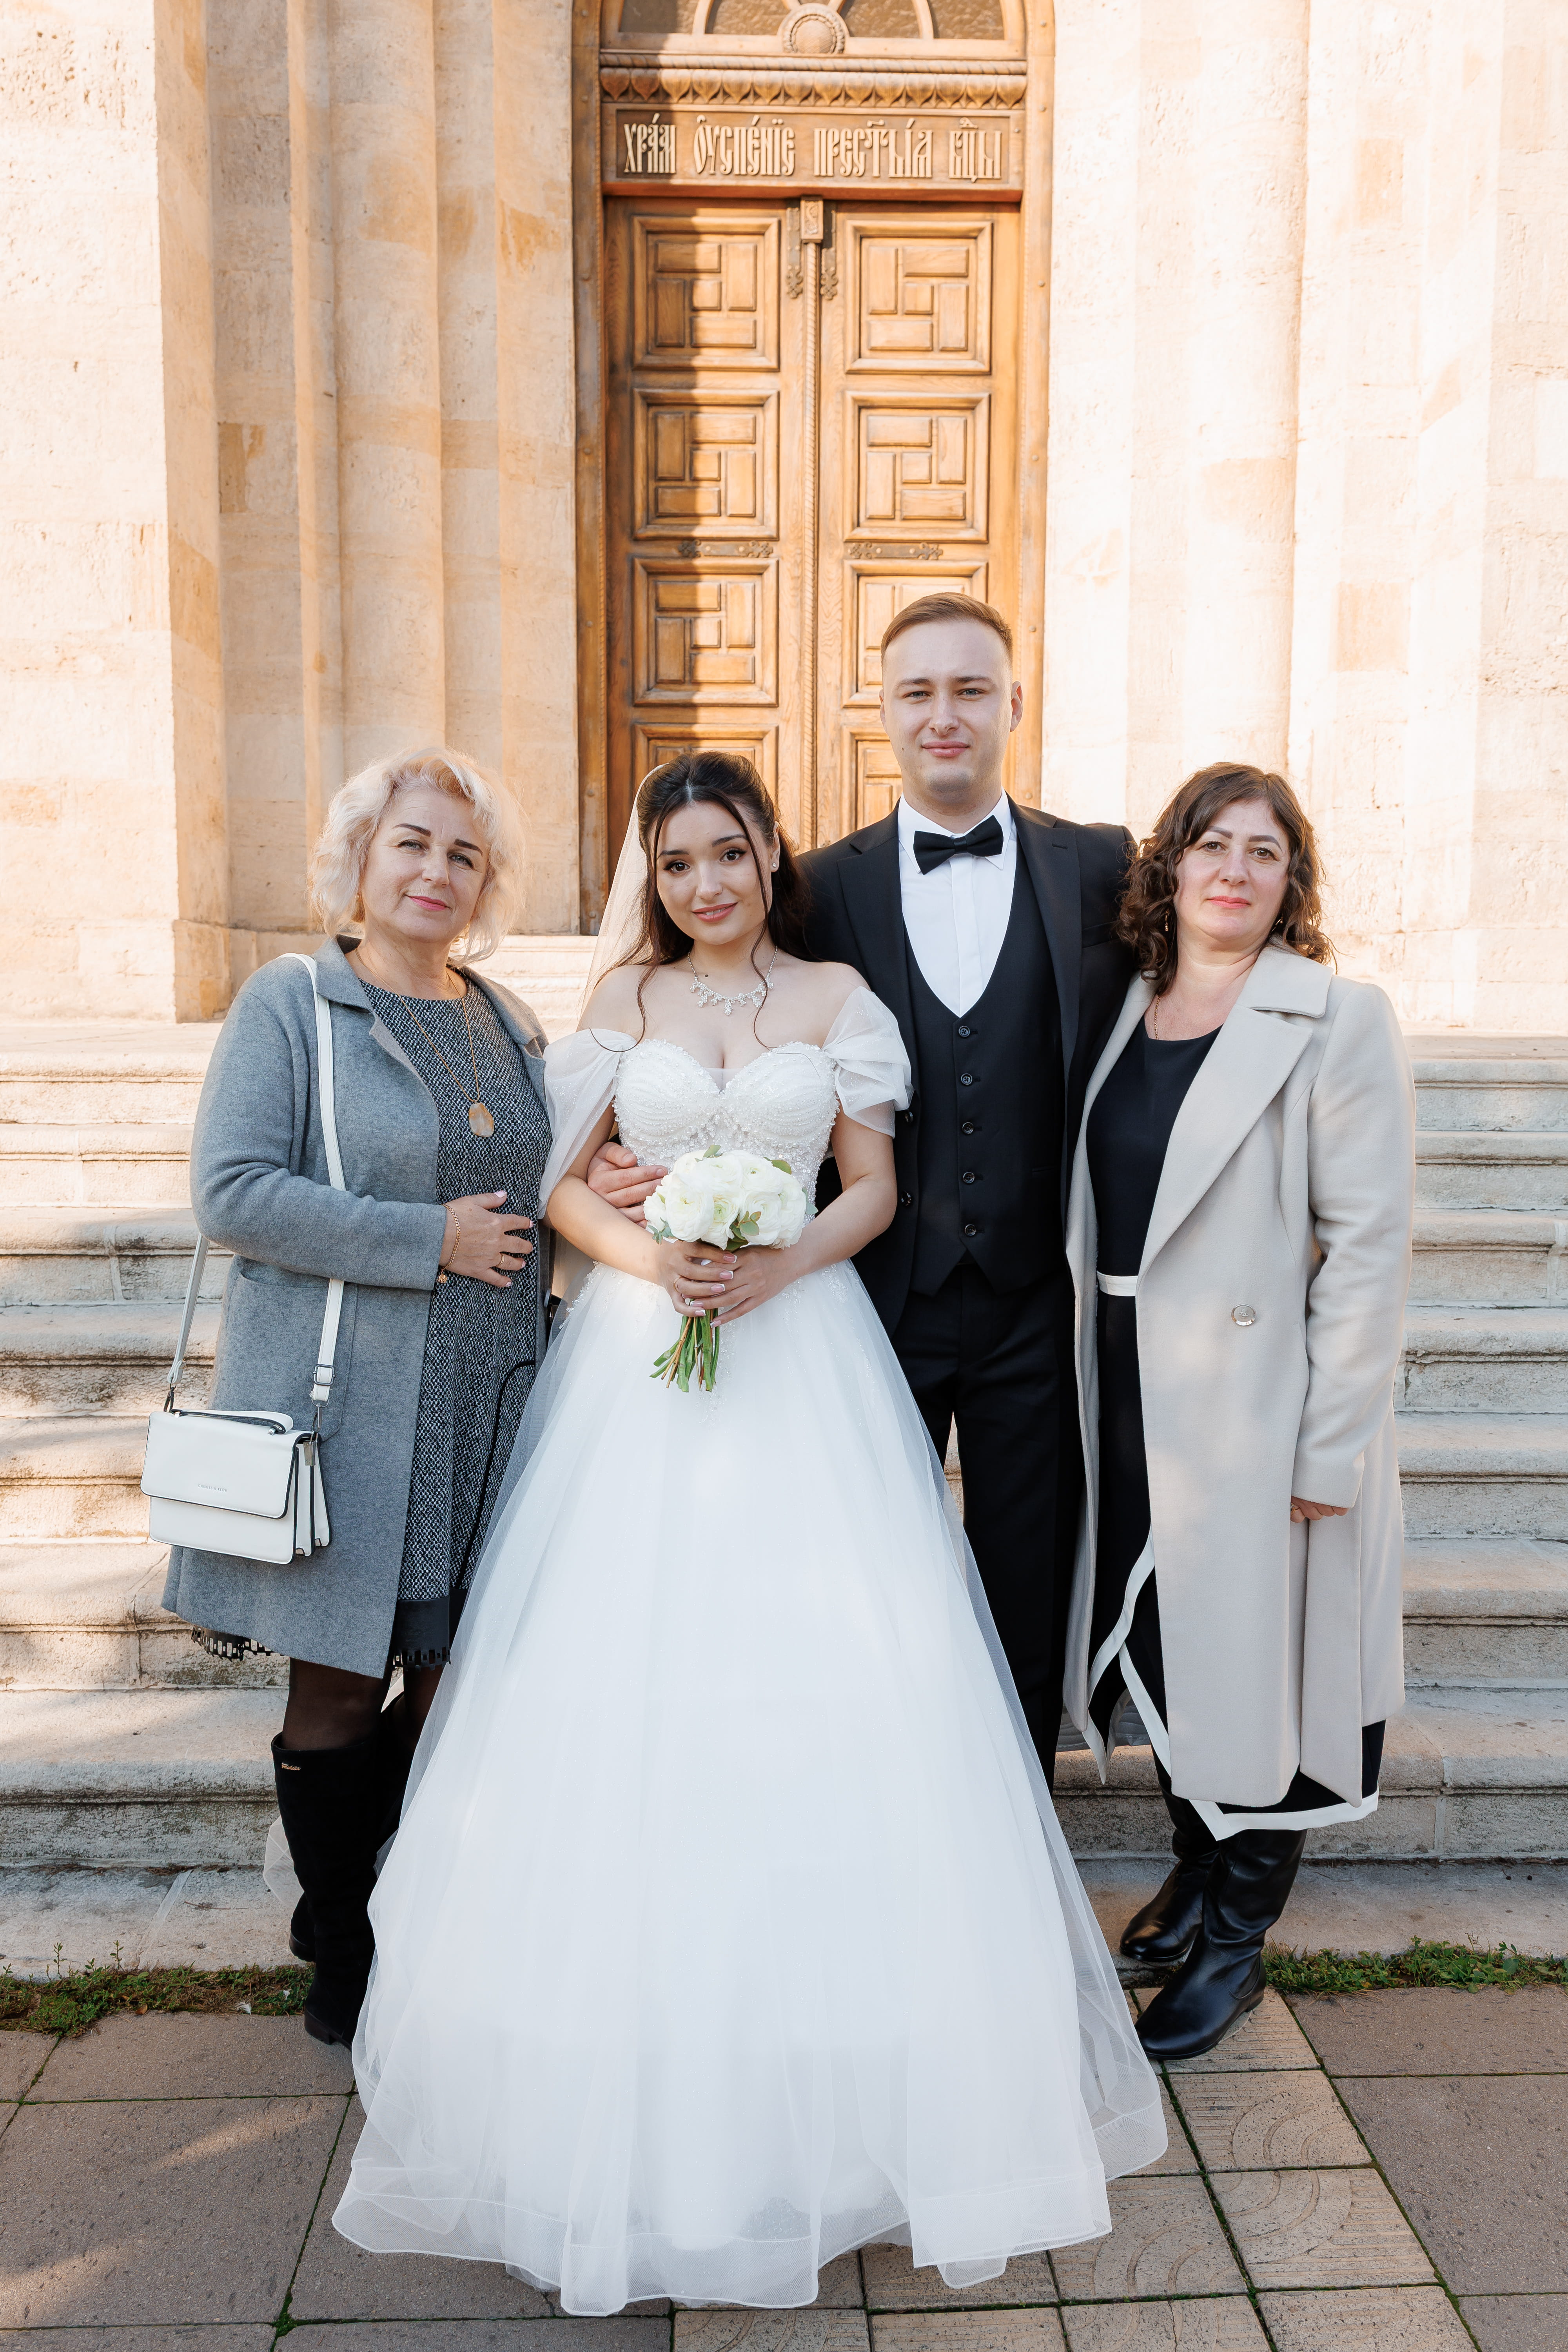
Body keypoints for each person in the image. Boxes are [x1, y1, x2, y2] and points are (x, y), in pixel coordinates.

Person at [332, 752, 1164, 2312]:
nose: (704, 884)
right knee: (630, 1686)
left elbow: (871, 1186)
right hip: (641, 1365)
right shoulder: (622, 1005)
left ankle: (845, 2084)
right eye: (676, 864)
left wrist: (778, 1263)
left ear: (770, 857)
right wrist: (652, 1255)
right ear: (650, 882)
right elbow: (561, 1190)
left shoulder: (839, 1000)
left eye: (727, 853)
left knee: (828, 1686)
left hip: (802, 1351)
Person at [588, 594, 1137, 1783]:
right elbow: (727, 1007)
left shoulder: (1099, 865)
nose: (945, 715)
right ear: (882, 712)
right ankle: (868, 1789)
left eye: (971, 689)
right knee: (851, 1569)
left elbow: (1172, 1014)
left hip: (1036, 1291)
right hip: (862, 1298)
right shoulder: (825, 884)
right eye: (916, 692)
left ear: (1014, 704)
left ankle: (1012, 1815)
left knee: (1026, 1566)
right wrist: (625, 1161)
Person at [160, 749, 551, 2048]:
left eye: (463, 855)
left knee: (459, 1691)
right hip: (350, 1407)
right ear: (361, 858)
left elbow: (539, 1200)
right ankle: (343, 1950)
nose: (437, 871)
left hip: (492, 1409)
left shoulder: (509, 1020)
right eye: (413, 843)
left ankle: (390, 1910)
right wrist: (426, 1240)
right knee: (336, 1693)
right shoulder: (293, 1002)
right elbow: (232, 1194)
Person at [1063, 763, 1415, 2060]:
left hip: (1261, 1412)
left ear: (1292, 881)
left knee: (1262, 1669)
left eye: (1265, 852)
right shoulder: (1125, 1008)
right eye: (1212, 844)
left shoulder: (1335, 1019)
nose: (1235, 870)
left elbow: (1369, 1249)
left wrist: (1329, 1447)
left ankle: (1236, 1942)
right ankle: (1197, 1865)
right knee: (1169, 1643)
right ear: (1169, 867)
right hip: (1127, 1383)